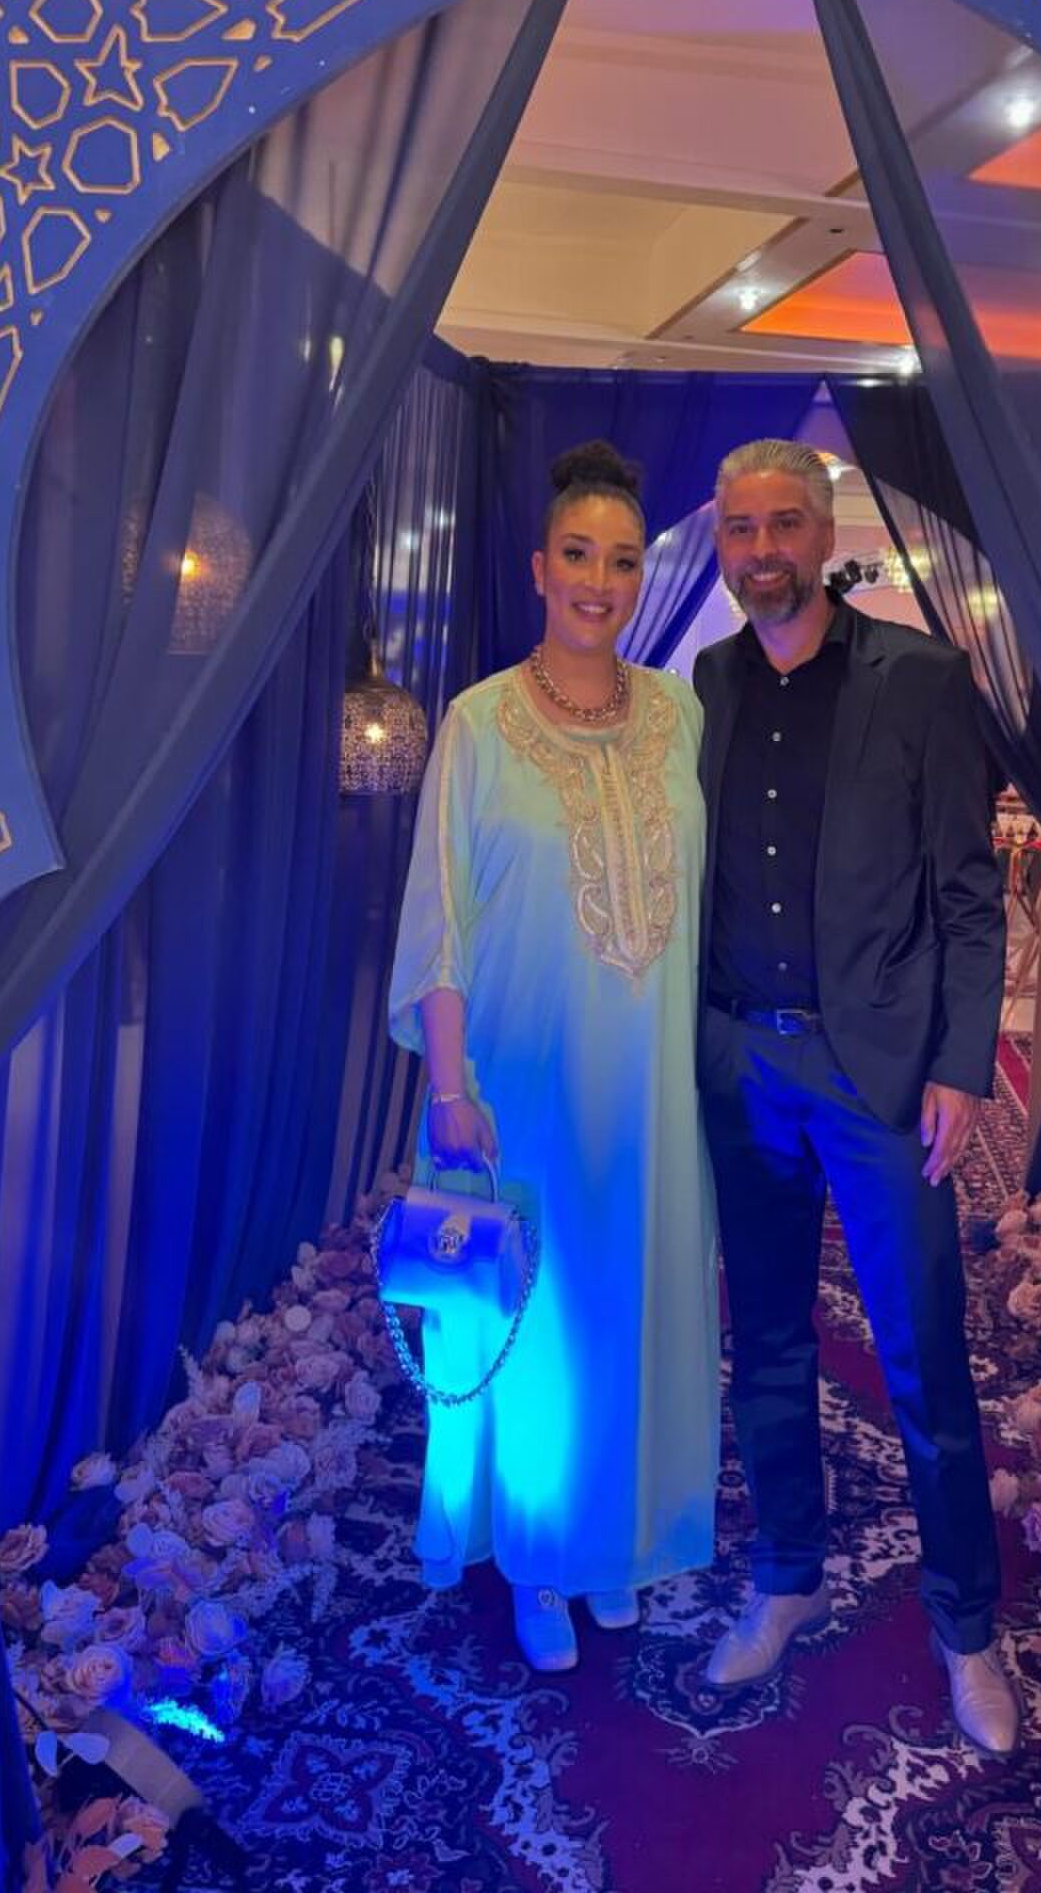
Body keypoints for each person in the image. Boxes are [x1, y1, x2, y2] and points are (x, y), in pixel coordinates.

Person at [693, 439, 1020, 1756]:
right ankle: (788, 1574)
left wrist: (959, 1063)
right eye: (740, 527)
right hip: (740, 1063)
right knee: (767, 1339)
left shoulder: (919, 679)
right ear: (721, 544)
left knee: (921, 1350)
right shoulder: (706, 686)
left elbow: (968, 893)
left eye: (784, 523)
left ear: (824, 536)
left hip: (875, 1072)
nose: (762, 549)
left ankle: (966, 1626)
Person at [388, 440, 720, 1674]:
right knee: (541, 1318)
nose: (599, 581)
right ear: (539, 567)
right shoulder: (479, 723)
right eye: (578, 554)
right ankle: (536, 1554)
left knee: (631, 1296)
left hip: (649, 1082)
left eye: (624, 561)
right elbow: (440, 917)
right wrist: (450, 1085)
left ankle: (613, 1536)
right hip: (518, 1082)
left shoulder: (679, 717)